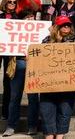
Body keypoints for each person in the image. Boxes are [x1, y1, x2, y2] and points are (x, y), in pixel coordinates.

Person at [39, 16, 75, 139]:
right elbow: (38, 59)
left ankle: (60, 137)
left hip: (68, 85)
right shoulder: (47, 40)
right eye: (63, 25)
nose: (66, 27)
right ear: (57, 27)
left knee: (64, 114)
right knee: (47, 114)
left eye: (68, 25)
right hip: (48, 86)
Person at [2, 9, 39, 137]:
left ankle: (32, 126)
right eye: (27, 17)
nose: (30, 19)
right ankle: (11, 126)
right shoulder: (15, 31)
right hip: (18, 63)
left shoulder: (40, 32)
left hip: (34, 65)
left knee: (33, 98)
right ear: (21, 20)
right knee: (14, 97)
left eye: (32, 16)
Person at [0, 0, 18, 120]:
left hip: (10, 52)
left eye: (14, 2)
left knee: (8, 82)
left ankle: (5, 113)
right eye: (10, 1)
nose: (12, 3)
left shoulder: (18, 18)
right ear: (5, 3)